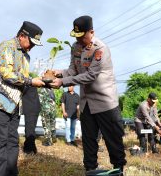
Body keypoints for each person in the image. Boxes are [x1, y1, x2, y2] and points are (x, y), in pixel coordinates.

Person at [50, 15, 126, 174]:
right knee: (89, 140)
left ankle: (118, 170)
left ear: (91, 32)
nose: (79, 40)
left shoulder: (100, 49)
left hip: (105, 102)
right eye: (76, 36)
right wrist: (58, 73)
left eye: (82, 36)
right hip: (86, 104)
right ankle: (90, 170)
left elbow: (91, 75)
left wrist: (64, 82)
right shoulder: (75, 47)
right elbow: (72, 71)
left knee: (113, 140)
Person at [0, 21, 45, 176]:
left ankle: (11, 173)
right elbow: (7, 74)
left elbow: (22, 79)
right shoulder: (7, 46)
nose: (32, 46)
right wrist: (31, 81)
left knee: (12, 141)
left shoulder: (26, 56)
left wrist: (37, 80)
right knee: (0, 142)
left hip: (14, 103)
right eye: (31, 42)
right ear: (22, 35)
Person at [22, 86, 41, 154]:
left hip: (31, 108)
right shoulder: (31, 83)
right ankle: (32, 148)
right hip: (33, 108)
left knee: (29, 130)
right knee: (31, 129)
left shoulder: (27, 83)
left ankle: (29, 149)